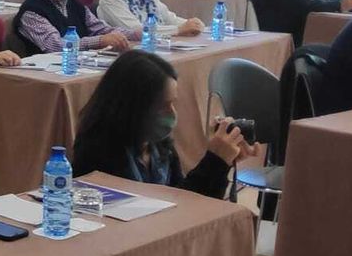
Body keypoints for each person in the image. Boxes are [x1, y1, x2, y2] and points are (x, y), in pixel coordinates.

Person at [72, 50, 249, 198]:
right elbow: (168, 210)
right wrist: (214, 162)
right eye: (162, 106)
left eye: (173, 103)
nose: (172, 113)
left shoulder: (159, 145)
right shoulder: (100, 151)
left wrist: (222, 161)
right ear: (133, 108)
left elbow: (186, 201)